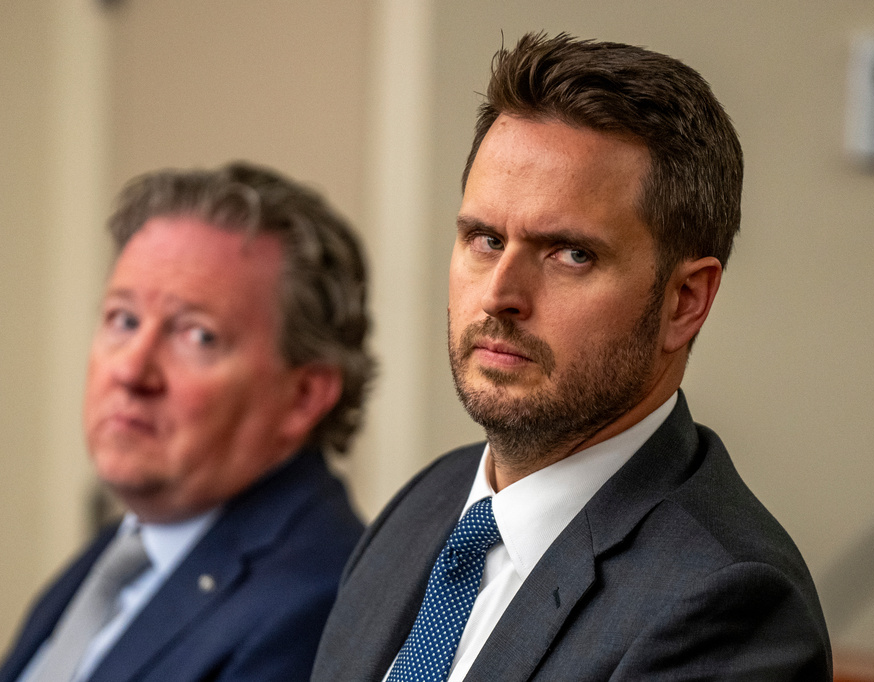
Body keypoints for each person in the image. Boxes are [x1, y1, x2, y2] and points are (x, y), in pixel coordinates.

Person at [312, 32, 831, 681]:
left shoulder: (729, 606)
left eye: (571, 254)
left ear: (685, 301)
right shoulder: (426, 503)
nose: (499, 295)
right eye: (485, 239)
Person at [0, 162, 372, 682]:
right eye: (124, 319)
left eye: (197, 336)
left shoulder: (314, 605)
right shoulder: (126, 548)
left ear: (303, 396)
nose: (131, 370)